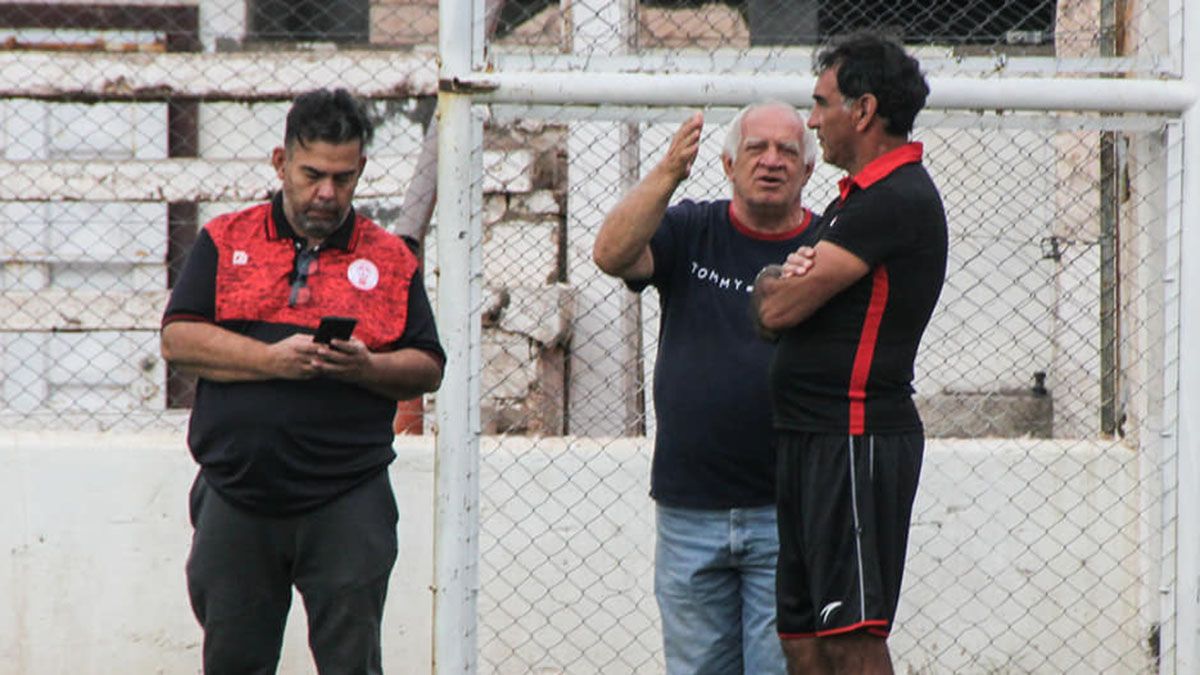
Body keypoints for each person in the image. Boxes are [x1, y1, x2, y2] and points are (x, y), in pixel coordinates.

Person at [160, 88, 445, 674]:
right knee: (234, 662)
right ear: (280, 162)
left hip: (347, 497)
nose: (326, 193)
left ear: (361, 170)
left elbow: (428, 365)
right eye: (312, 173)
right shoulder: (225, 238)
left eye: (343, 178)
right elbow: (179, 340)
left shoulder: (391, 259)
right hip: (236, 493)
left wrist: (368, 368)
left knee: (351, 662)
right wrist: (272, 361)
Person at [593, 101, 818, 674]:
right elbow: (611, 254)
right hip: (690, 509)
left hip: (788, 510)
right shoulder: (692, 228)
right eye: (755, 149)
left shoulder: (827, 246)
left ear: (808, 170)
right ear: (727, 164)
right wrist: (669, 172)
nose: (771, 162)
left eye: (787, 151)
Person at [752, 33, 947, 675]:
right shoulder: (855, 201)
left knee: (851, 637)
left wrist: (779, 284)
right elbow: (775, 301)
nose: (811, 122)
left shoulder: (896, 198)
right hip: (808, 440)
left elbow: (777, 310)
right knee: (803, 639)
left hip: (854, 437)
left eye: (820, 103)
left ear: (862, 111)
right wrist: (780, 279)